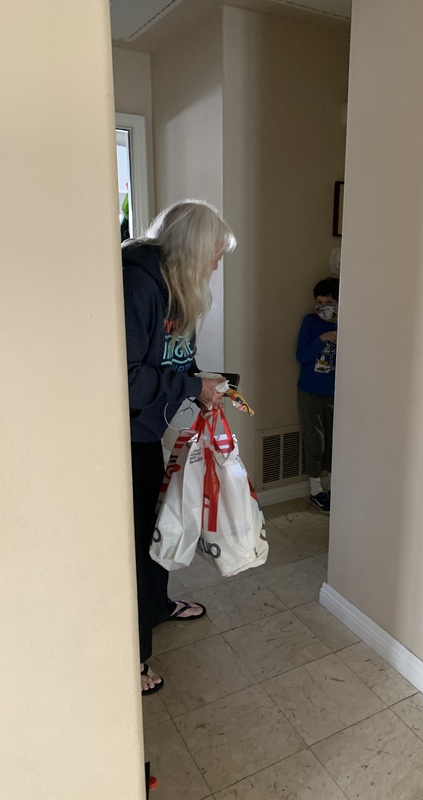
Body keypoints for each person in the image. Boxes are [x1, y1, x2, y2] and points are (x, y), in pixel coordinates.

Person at [122, 199, 236, 695]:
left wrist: (203, 384)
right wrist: (192, 390)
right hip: (125, 438)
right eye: (215, 253)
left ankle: (159, 605)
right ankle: (135, 658)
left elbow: (172, 361)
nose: (216, 263)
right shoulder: (138, 286)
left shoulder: (176, 290)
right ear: (191, 249)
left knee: (156, 529)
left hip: (150, 430)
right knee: (137, 542)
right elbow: (124, 377)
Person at [295, 277, 340, 514]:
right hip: (310, 391)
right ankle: (315, 491)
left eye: (330, 302)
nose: (324, 306)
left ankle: (336, 489)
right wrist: (320, 339)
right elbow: (300, 355)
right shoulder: (310, 323)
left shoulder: (346, 324)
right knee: (315, 442)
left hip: (335, 393)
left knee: (335, 442)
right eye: (320, 301)